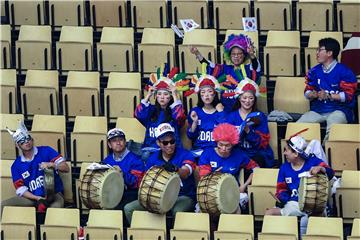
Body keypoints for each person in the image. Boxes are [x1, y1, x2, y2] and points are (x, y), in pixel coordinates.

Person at [124, 123, 197, 224]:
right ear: (158, 143)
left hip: (183, 195)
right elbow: (147, 182)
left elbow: (185, 173)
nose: (169, 145)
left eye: (172, 141)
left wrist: (175, 169)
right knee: (129, 208)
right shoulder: (152, 159)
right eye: (165, 143)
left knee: (177, 211)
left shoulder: (186, 154)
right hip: (158, 196)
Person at [265, 134, 334, 234]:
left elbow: (331, 173)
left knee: (307, 220)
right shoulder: (284, 168)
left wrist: (321, 169)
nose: (284, 153)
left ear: (296, 154)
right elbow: (281, 190)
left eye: (286, 150)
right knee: (269, 213)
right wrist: (284, 199)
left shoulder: (313, 161)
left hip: (313, 205)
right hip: (293, 204)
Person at [1, 122, 69, 214]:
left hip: (54, 195)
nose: (26, 142)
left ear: (32, 140)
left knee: (54, 213)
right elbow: (21, 190)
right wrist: (38, 198)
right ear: (17, 145)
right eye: (22, 141)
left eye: (28, 139)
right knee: (2, 206)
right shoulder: (16, 165)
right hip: (33, 198)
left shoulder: (46, 151)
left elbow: (66, 168)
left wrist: (52, 165)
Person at [297, 37, 357, 142]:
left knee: (333, 123)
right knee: (300, 125)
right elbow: (307, 92)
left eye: (320, 50)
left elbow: (348, 96)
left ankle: (327, 153)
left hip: (340, 110)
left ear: (329, 53)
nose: (317, 53)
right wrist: (313, 94)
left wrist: (329, 96)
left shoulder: (345, 71)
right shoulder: (314, 71)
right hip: (318, 110)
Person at [190, 34, 261, 112]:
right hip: (225, 109)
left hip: (243, 109)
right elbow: (209, 66)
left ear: (244, 55)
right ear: (229, 56)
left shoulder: (248, 68)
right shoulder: (224, 68)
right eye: (233, 54)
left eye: (239, 54)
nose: (236, 56)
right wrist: (197, 53)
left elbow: (256, 67)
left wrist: (252, 55)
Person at [198, 123, 259, 210]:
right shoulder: (207, 154)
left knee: (237, 208)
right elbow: (203, 177)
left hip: (232, 192)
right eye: (221, 144)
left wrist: (244, 185)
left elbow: (256, 169)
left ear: (233, 144)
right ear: (216, 142)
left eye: (227, 145)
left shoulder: (239, 155)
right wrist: (213, 175)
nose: (223, 148)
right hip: (211, 192)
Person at [134, 65, 187, 157]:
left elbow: (180, 117)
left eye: (166, 94)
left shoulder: (174, 111)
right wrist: (148, 95)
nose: (162, 97)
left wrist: (175, 95)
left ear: (170, 97)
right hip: (150, 151)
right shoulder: (151, 109)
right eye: (159, 94)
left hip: (170, 151)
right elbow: (138, 114)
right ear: (156, 96)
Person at [225, 79, 275, 168]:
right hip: (238, 151)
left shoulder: (260, 116)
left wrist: (248, 132)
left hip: (256, 153)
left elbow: (262, 143)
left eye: (251, 98)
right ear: (239, 98)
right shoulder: (231, 116)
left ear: (254, 99)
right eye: (244, 98)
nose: (247, 101)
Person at [102, 128, 145, 210]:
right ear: (109, 145)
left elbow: (137, 183)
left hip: (130, 194)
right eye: (114, 141)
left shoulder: (136, 160)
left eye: (121, 140)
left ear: (125, 142)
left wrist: (122, 174)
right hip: (111, 193)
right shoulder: (107, 161)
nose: (118, 143)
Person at [187, 66, 226, 156]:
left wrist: (221, 113)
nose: (206, 95)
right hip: (198, 151)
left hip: (216, 152)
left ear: (214, 93)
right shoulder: (195, 111)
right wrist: (195, 122)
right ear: (200, 95)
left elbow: (225, 132)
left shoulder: (221, 111)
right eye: (203, 92)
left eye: (209, 91)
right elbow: (190, 136)